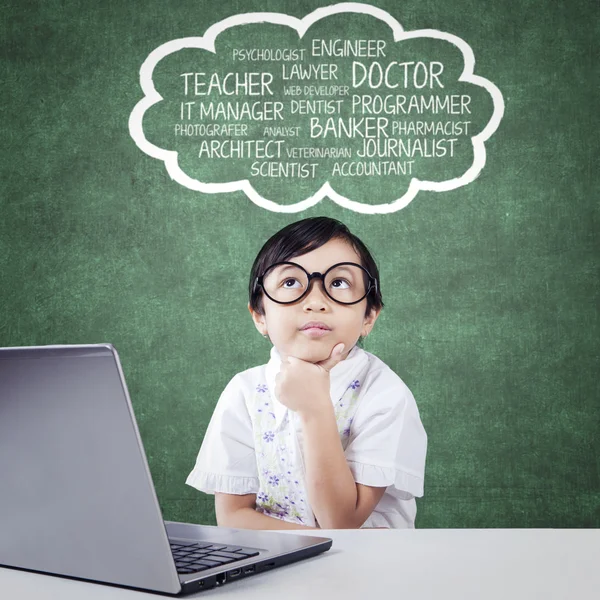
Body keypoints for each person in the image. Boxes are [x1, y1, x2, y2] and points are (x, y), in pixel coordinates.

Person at [186, 216, 427, 529]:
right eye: (290, 283)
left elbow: (342, 525)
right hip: (276, 569)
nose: (316, 301)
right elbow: (233, 517)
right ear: (259, 315)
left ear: (369, 315)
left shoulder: (386, 395)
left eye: (339, 283)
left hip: (369, 569)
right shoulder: (244, 392)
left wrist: (314, 408)